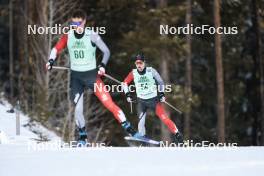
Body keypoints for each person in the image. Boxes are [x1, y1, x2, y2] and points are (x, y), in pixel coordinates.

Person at [46, 9, 136, 143]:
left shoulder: (92, 35)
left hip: (92, 77)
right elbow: (56, 49)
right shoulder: (68, 36)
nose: (76, 27)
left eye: (79, 23)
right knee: (77, 110)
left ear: (84, 22)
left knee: (108, 103)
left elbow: (106, 51)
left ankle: (131, 130)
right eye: (73, 24)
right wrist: (50, 60)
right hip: (76, 78)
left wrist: (102, 65)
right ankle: (83, 137)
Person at [122, 53, 183, 143]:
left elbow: (161, 82)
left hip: (153, 101)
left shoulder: (151, 71)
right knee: (140, 123)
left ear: (144, 63)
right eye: (137, 63)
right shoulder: (133, 73)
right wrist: (127, 94)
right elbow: (124, 83)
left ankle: (177, 134)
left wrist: (162, 94)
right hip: (141, 102)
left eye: (141, 63)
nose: (139, 65)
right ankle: (143, 140)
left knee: (164, 118)